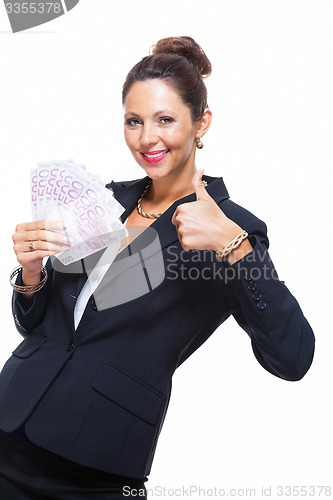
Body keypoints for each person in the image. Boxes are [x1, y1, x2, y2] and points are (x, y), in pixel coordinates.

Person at [0, 36, 315, 499]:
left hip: (95, 466)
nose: (147, 138)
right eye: (134, 121)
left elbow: (293, 358)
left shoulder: (233, 228)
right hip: (10, 422)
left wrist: (233, 245)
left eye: (165, 119)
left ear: (200, 123)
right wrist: (31, 275)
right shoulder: (103, 199)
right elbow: (41, 328)